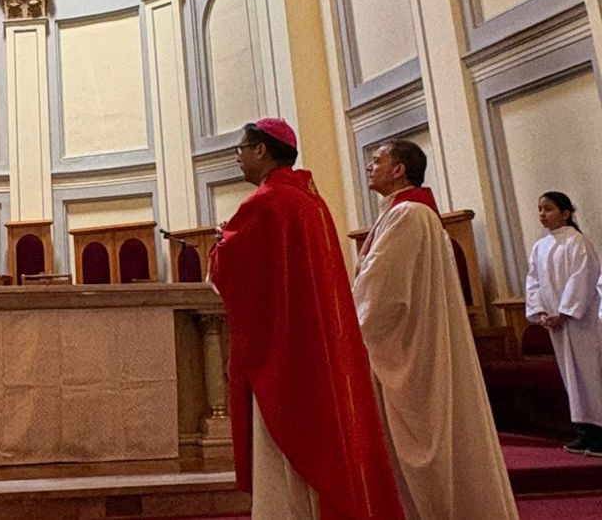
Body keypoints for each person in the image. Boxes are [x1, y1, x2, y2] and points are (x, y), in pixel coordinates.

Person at [209, 118, 402, 520]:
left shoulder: (267, 203)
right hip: (313, 343)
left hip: (284, 350)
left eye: (241, 149)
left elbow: (230, 271)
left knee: (285, 449)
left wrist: (221, 245)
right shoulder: (308, 200)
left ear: (261, 150)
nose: (238, 159)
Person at [352, 140, 518, 518]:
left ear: (399, 170)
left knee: (418, 446)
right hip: (410, 342)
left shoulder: (408, 215)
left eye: (377, 160)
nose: (369, 166)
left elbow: (382, 294)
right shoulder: (405, 213)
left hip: (409, 350)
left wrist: (347, 333)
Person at [525, 191, 602, 455]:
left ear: (566, 213)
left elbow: (582, 279)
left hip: (581, 323)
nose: (542, 215)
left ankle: (599, 432)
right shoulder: (540, 246)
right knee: (572, 377)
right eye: (539, 209)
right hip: (556, 324)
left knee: (590, 375)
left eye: (548, 209)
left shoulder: (577, 242)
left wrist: (565, 311)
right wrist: (542, 311)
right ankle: (585, 430)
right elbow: (533, 281)